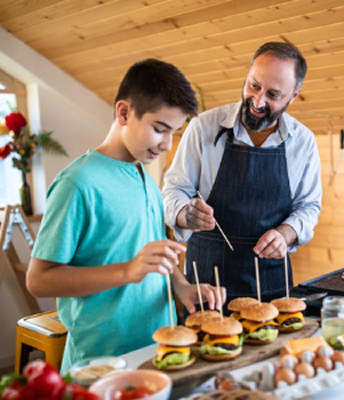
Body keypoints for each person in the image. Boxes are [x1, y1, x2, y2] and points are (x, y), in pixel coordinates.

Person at [26, 59, 226, 373]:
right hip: (99, 362)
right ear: (124, 113)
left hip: (157, 350)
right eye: (159, 129)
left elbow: (155, 248)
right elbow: (38, 279)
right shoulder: (77, 183)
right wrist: (127, 271)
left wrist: (182, 286)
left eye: (173, 132)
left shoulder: (144, 177)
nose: (167, 144)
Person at [162, 42, 322, 310]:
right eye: (254, 86)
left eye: (273, 94)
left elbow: (309, 206)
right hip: (207, 282)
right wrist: (183, 213)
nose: (258, 101)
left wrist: (286, 233)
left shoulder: (303, 142)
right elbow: (173, 191)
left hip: (272, 281)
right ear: (247, 74)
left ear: (294, 96)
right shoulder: (203, 128)